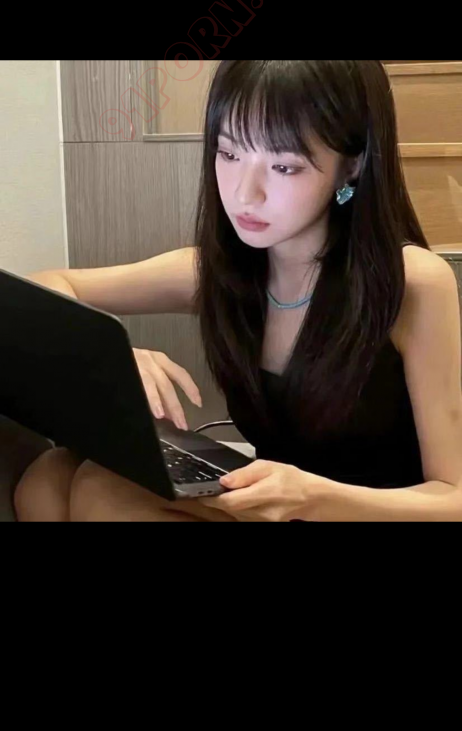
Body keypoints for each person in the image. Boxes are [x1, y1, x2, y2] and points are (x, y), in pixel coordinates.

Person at [14, 60, 462, 521]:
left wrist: (316, 497)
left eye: (284, 166)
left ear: (352, 166)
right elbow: (46, 286)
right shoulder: (222, 272)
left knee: (102, 493)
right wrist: (111, 352)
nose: (245, 194)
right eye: (229, 154)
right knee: (48, 478)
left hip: (355, 511)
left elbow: (453, 499)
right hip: (275, 506)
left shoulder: (410, 283)